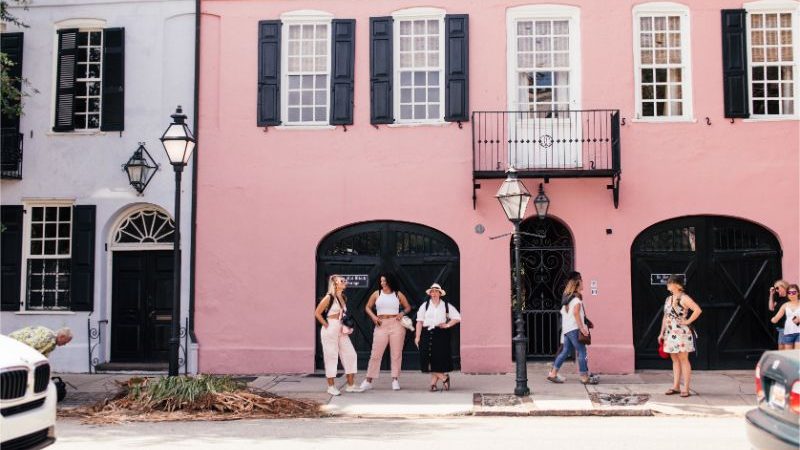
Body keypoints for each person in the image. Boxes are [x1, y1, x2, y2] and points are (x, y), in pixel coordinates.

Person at [360, 273, 412, 391]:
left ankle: (395, 380)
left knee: (396, 353)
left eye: (384, 281)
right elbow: (367, 307)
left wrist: (402, 313)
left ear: (390, 281)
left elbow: (408, 307)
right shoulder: (377, 293)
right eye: (381, 281)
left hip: (396, 324)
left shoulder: (398, 294)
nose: (382, 283)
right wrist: (374, 317)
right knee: (375, 353)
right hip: (381, 324)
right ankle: (368, 380)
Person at [314, 275, 363, 396]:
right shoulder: (329, 297)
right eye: (341, 281)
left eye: (344, 280)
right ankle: (331, 387)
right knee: (331, 356)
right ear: (335, 284)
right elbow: (317, 313)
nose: (344, 282)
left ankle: (350, 385)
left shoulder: (343, 297)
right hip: (330, 328)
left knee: (351, 354)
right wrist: (326, 325)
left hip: (341, 328)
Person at [658, 275, 702, 398]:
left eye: (670, 282)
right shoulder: (668, 299)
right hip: (670, 333)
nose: (667, 284)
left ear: (678, 285)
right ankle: (676, 386)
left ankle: (686, 388)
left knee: (683, 359)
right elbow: (665, 317)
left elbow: (698, 310)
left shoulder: (684, 298)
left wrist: (687, 322)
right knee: (675, 360)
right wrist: (661, 332)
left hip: (681, 333)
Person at [547, 278, 597, 385]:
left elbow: (566, 315)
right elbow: (576, 314)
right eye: (582, 283)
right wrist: (582, 329)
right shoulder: (577, 301)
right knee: (582, 351)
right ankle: (584, 376)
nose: (583, 284)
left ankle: (553, 373)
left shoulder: (568, 301)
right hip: (574, 329)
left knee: (566, 351)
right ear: (577, 286)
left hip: (567, 330)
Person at [414, 283, 460, 392]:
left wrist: (447, 325)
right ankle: (444, 377)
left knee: (437, 360)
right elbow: (419, 322)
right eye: (432, 291)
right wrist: (417, 336)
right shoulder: (425, 305)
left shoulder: (446, 305)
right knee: (426, 359)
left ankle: (433, 384)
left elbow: (457, 317)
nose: (434, 293)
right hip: (426, 333)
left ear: (440, 293)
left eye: (436, 291)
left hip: (441, 334)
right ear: (430, 293)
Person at [771, 284, 800, 350]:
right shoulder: (785, 305)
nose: (791, 294)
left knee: (797, 353)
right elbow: (776, 318)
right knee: (789, 354)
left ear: (798, 293)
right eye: (789, 293)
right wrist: (773, 319)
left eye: (794, 292)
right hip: (788, 333)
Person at [769, 280, 790, 349]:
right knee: (782, 349)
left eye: (777, 288)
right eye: (775, 289)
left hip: (787, 328)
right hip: (781, 328)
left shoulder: (790, 297)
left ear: (783, 287)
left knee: (784, 349)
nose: (776, 290)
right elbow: (771, 308)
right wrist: (771, 294)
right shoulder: (779, 299)